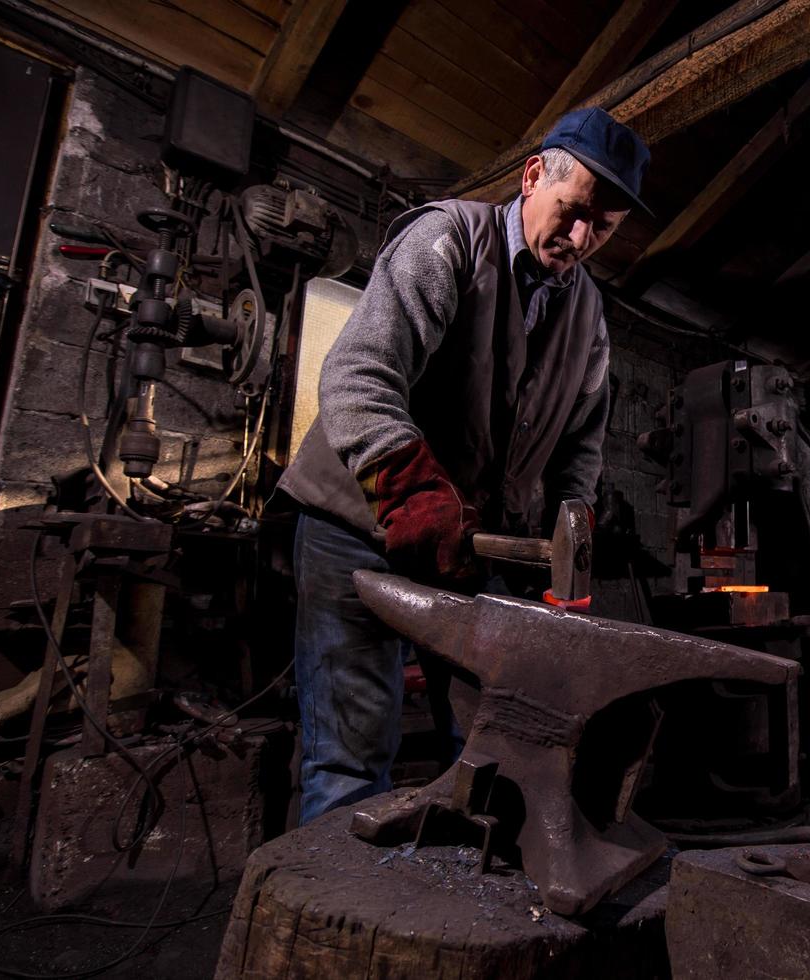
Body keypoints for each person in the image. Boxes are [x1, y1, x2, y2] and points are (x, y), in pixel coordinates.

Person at [276, 107, 650, 823]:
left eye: (602, 227)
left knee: (488, 751)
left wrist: (570, 525)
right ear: (534, 175)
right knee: (351, 763)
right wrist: (410, 489)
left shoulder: (590, 316)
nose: (580, 239)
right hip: (354, 527)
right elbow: (358, 375)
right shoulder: (447, 239)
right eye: (572, 213)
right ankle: (332, 920)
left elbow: (580, 451)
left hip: (464, 551)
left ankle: (443, 918)